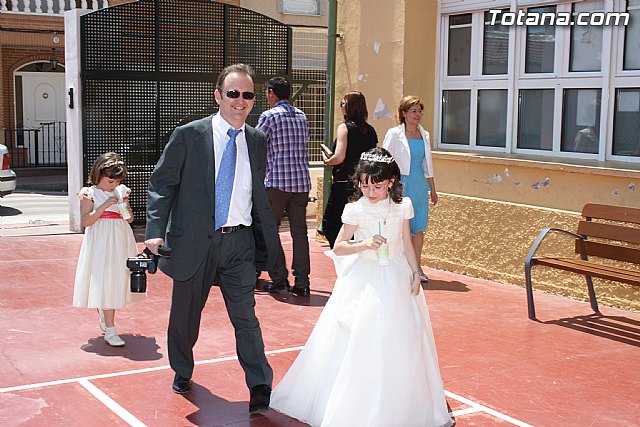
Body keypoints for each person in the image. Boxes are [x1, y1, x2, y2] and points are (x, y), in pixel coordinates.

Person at [270, 148, 454, 427]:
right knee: (363, 336)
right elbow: (339, 246)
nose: (370, 191)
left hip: (396, 276)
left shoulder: (402, 206)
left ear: (391, 181)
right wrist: (364, 244)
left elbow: (406, 242)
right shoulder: (356, 209)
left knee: (401, 337)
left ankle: (399, 404)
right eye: (365, 185)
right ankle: (358, 403)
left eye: (377, 186)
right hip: (365, 279)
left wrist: (416, 272)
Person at [144, 64, 279, 413]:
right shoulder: (189, 135)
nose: (240, 101)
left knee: (246, 317)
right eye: (233, 93)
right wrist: (154, 232)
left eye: (247, 95)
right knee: (186, 316)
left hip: (239, 244)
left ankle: (260, 383)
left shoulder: (257, 140)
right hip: (193, 241)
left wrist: (266, 241)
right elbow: (162, 184)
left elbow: (254, 194)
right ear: (218, 95)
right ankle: (182, 368)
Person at [73, 152, 141, 347]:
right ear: (99, 175)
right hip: (100, 240)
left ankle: (106, 315)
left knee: (116, 278)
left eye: (117, 181)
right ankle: (110, 330)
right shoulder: (89, 193)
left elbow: (129, 219)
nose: (114, 185)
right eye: (110, 181)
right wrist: (103, 206)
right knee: (104, 279)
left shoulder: (121, 192)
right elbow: (86, 221)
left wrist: (123, 206)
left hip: (120, 238)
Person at [257, 77, 312, 297]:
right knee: (300, 233)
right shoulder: (302, 116)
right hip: (301, 183)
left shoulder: (269, 116)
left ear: (271, 93)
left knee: (270, 230)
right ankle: (302, 282)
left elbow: (256, 143)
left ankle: (279, 277)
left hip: (277, 183)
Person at [383, 95, 438, 283]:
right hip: (401, 184)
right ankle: (399, 267)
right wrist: (386, 186)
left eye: (420, 111)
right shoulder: (394, 134)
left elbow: (427, 165)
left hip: (419, 184)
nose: (417, 115)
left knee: (419, 227)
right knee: (402, 227)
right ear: (404, 113)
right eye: (413, 111)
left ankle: (417, 267)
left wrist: (433, 189)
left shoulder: (425, 134)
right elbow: (385, 160)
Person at [321, 91, 378, 248]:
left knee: (331, 224)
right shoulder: (371, 131)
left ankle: (342, 254)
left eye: (343, 103)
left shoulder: (344, 128)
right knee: (356, 225)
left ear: (349, 107)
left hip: (343, 183)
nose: (341, 106)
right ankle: (354, 254)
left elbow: (339, 157)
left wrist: (328, 160)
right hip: (363, 184)